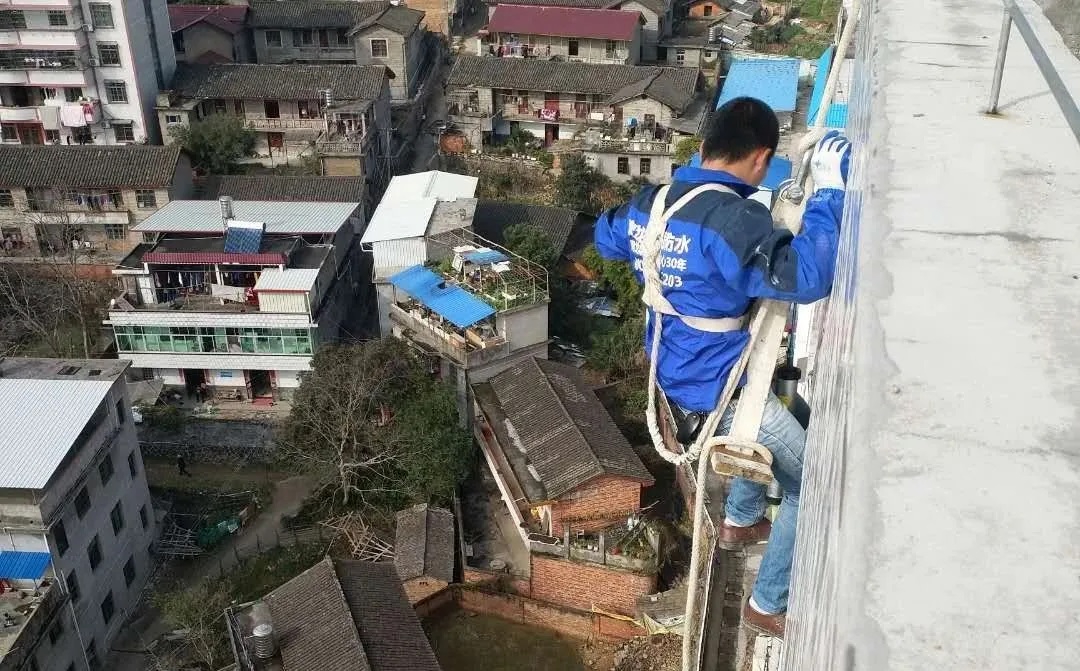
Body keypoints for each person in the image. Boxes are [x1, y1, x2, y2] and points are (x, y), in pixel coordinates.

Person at [594, 97, 850, 639]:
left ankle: (740, 519)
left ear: (706, 146)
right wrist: (829, 193)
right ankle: (767, 602)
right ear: (761, 159)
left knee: (764, 413)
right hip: (721, 392)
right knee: (812, 482)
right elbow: (806, 276)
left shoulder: (650, 205)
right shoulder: (736, 221)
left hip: (673, 380)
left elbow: (604, 237)